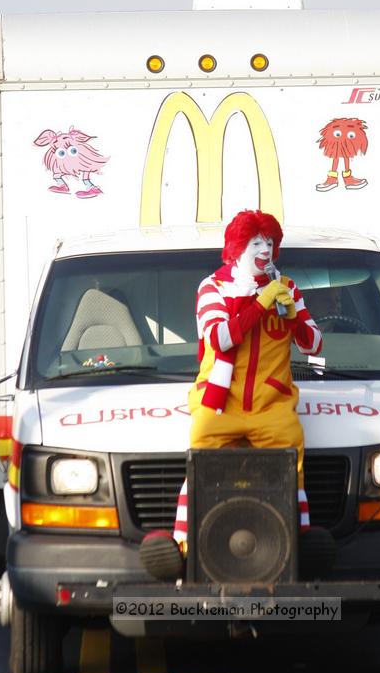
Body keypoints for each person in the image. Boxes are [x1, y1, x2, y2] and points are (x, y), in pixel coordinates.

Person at [139, 209, 327, 579]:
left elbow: (315, 344)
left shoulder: (287, 288)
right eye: (257, 242)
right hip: (219, 402)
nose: (265, 250)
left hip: (271, 403)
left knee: (293, 473)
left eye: (270, 242)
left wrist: (291, 315)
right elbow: (220, 338)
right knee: (200, 469)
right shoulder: (213, 287)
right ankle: (182, 548)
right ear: (238, 247)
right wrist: (259, 303)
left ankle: (300, 544)